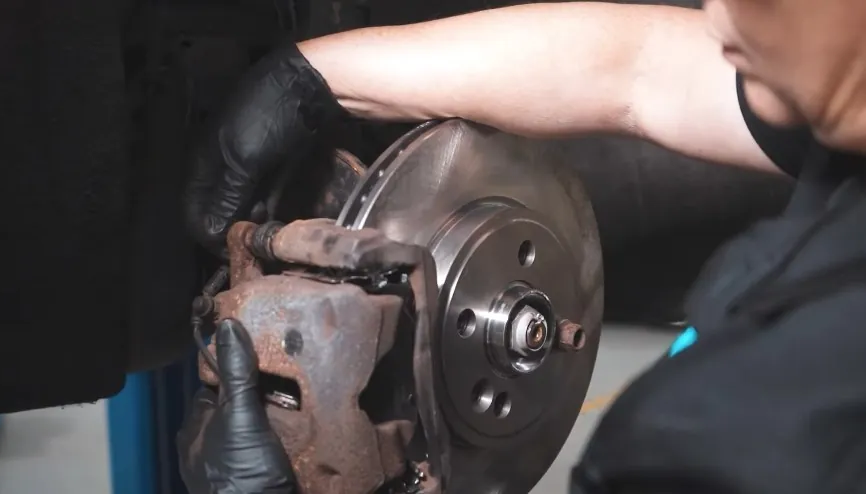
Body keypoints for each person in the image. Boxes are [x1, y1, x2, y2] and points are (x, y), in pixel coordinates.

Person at [178, 1, 866, 493]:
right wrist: (314, 76)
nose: (717, 15)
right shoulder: (841, 94)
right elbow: (641, 69)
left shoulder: (748, 437)